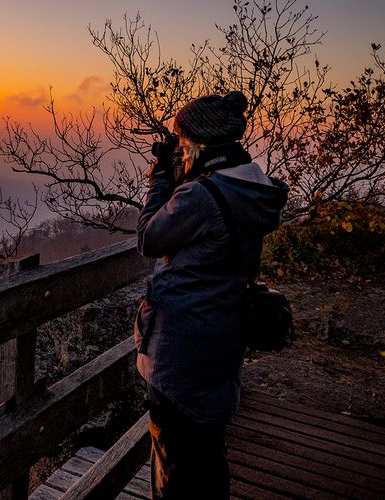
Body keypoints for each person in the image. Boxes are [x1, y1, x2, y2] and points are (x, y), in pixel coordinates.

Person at [133, 91, 290, 498]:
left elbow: (149, 237)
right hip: (220, 342)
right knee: (206, 459)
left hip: (181, 355)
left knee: (175, 469)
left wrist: (161, 178)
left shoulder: (201, 197)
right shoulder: (251, 190)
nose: (181, 153)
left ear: (201, 145)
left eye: (184, 146)